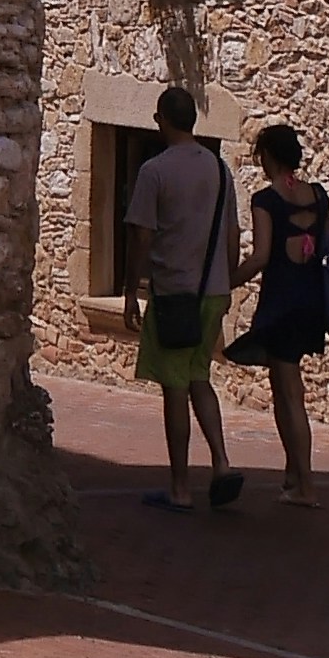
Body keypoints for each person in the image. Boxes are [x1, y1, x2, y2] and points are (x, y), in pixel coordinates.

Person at [120, 84, 244, 512]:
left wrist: (130, 290)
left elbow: (142, 235)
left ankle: (180, 487)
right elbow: (232, 234)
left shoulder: (154, 171)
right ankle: (222, 463)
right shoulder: (219, 169)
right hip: (213, 290)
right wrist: (228, 283)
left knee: (174, 388)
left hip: (174, 292)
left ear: (163, 120)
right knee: (199, 376)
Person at [229, 117, 329, 505]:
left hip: (281, 302)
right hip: (311, 300)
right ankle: (292, 475)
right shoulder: (319, 196)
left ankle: (306, 485)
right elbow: (323, 246)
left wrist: (228, 282)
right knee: (284, 386)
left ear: (269, 157)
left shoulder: (266, 200)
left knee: (290, 395)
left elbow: (260, 257)